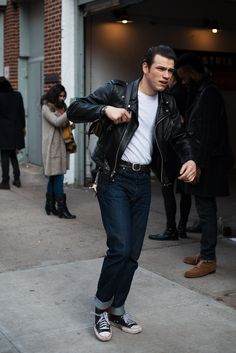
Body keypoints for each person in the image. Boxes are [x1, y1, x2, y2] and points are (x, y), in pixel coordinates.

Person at [67, 45, 196, 342]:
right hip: (114, 177)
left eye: (170, 70)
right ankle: (100, 307)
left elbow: (178, 136)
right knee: (120, 247)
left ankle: (118, 308)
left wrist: (190, 157)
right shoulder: (118, 91)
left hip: (142, 181)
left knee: (133, 253)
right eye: (160, 68)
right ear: (145, 68)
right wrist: (104, 110)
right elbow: (75, 108)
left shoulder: (167, 104)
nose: (166, 75)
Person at [176, 53, 231, 278]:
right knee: (203, 209)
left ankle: (208, 260)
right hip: (203, 160)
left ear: (189, 70)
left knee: (207, 212)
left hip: (208, 163)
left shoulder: (209, 93)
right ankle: (205, 253)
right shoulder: (201, 90)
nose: (181, 81)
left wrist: (198, 165)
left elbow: (208, 135)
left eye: (182, 76)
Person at [149, 71, 192, 240]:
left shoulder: (170, 96)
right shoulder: (188, 93)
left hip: (170, 150)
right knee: (184, 191)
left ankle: (171, 229)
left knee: (168, 189)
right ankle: (181, 227)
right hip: (183, 150)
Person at [41, 83, 76, 219]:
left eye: (63, 96)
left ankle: (49, 205)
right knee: (58, 177)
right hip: (52, 148)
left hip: (61, 145)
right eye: (60, 96)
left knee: (54, 177)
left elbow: (61, 125)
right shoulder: (46, 108)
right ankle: (62, 209)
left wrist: (70, 127)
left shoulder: (61, 108)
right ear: (54, 95)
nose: (62, 98)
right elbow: (56, 122)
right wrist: (70, 112)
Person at [0, 77, 25, 189]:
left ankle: (5, 181)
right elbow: (21, 112)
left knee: (4, 155)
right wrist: (23, 127)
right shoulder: (17, 95)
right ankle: (17, 178)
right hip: (15, 129)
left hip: (3, 130)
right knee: (13, 154)